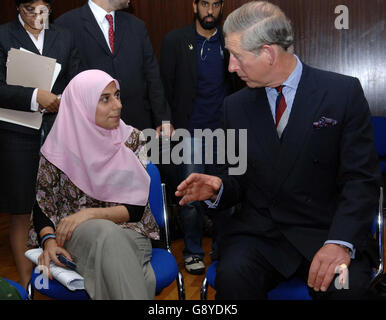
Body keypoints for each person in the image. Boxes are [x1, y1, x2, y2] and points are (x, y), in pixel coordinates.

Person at [176, 1, 381, 300]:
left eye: (236, 56)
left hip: (326, 231)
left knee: (348, 291)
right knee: (232, 281)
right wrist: (217, 187)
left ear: (268, 53)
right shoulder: (235, 107)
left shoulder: (341, 93)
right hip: (261, 236)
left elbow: (361, 181)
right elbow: (236, 180)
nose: (231, 66)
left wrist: (339, 242)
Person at [27, 70, 159, 300]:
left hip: (131, 232)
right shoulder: (59, 144)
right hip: (78, 238)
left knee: (111, 246)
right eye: (105, 99)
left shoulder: (132, 139)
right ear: (81, 104)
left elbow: (136, 209)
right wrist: (48, 241)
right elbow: (43, 202)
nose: (117, 105)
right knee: (131, 268)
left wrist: (87, 214)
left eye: (117, 95)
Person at [0, 0, 80, 289]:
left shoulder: (65, 36)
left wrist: (63, 99)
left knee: (61, 204)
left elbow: (75, 79)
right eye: (28, 10)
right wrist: (36, 96)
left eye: (42, 9)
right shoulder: (3, 36)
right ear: (17, 8)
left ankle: (63, 277)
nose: (36, 16)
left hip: (59, 131)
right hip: (16, 135)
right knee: (23, 209)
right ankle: (27, 286)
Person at [160, 0, 235, 274]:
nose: (210, 11)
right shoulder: (174, 41)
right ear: (194, 6)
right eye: (205, 4)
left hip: (226, 133)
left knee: (226, 194)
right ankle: (193, 251)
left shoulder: (231, 41)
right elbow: (163, 86)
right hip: (189, 133)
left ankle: (222, 250)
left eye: (216, 4)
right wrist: (165, 122)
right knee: (190, 196)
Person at [54, 0, 173, 137]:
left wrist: (163, 119)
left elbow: (152, 76)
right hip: (92, 131)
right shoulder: (66, 25)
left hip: (138, 126)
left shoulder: (137, 26)